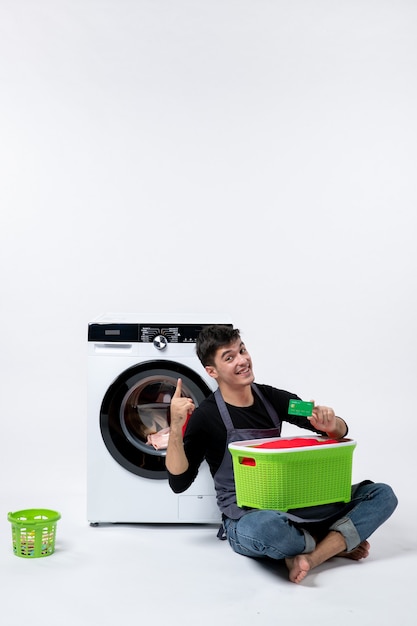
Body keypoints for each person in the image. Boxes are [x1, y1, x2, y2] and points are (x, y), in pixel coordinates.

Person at [166, 325, 398, 583]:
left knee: (382, 495)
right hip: (248, 517)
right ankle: (337, 542)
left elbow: (331, 424)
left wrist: (332, 423)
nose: (243, 360)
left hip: (298, 504)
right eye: (229, 357)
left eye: (242, 350)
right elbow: (179, 481)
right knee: (267, 529)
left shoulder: (273, 398)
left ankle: (311, 555)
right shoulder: (205, 417)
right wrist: (176, 427)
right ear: (212, 371)